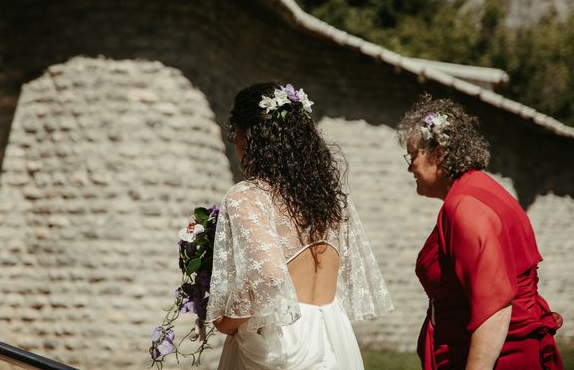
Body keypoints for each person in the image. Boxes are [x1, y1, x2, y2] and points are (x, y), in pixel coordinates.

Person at [206, 82, 393, 370]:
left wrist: (227, 321)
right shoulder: (328, 200)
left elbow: (268, 277)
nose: (234, 142)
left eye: (235, 132)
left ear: (252, 136)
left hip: (283, 340)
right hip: (332, 333)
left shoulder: (248, 195)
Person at [397, 94, 564, 370]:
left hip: (497, 358)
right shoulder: (481, 188)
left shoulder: (464, 208)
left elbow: (495, 308)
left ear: (438, 155)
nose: (409, 167)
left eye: (412, 156)